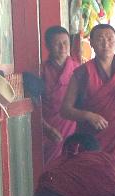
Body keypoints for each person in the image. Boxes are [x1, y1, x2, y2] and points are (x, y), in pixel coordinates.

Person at [61, 24, 115, 168]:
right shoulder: (82, 73)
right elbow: (65, 110)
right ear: (91, 43)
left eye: (110, 39)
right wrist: (88, 115)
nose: (106, 44)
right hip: (93, 140)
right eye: (100, 39)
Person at [41, 26, 80, 166]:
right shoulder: (41, 71)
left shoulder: (79, 70)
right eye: (57, 43)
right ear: (48, 46)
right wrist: (47, 128)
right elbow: (34, 106)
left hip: (73, 128)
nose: (62, 47)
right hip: (49, 130)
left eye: (65, 43)